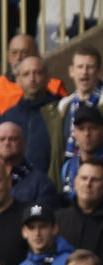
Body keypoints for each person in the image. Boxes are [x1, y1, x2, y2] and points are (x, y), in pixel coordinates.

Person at [0, 121, 59, 212]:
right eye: (1, 139)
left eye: (13, 139)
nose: (7, 143)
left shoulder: (41, 184)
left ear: (23, 144)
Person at [46, 45, 103, 192]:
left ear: (99, 72)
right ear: (71, 71)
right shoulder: (64, 106)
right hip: (69, 183)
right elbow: (58, 153)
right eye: (80, 67)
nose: (84, 72)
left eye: (90, 67)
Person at [1, 55, 63, 174]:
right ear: (17, 80)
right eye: (26, 74)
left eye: (38, 73)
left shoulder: (61, 111)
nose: (32, 79)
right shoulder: (8, 117)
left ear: (48, 77)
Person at [0, 35, 66, 116]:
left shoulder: (54, 86)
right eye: (14, 53)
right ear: (8, 56)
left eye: (24, 52)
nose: (18, 58)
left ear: (36, 54)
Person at [55, 158, 103, 257]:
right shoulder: (58, 219)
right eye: (84, 178)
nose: (88, 184)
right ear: (75, 183)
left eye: (95, 180)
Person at [60, 105, 103, 198]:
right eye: (81, 128)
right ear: (74, 132)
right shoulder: (67, 167)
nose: (87, 133)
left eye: (92, 128)